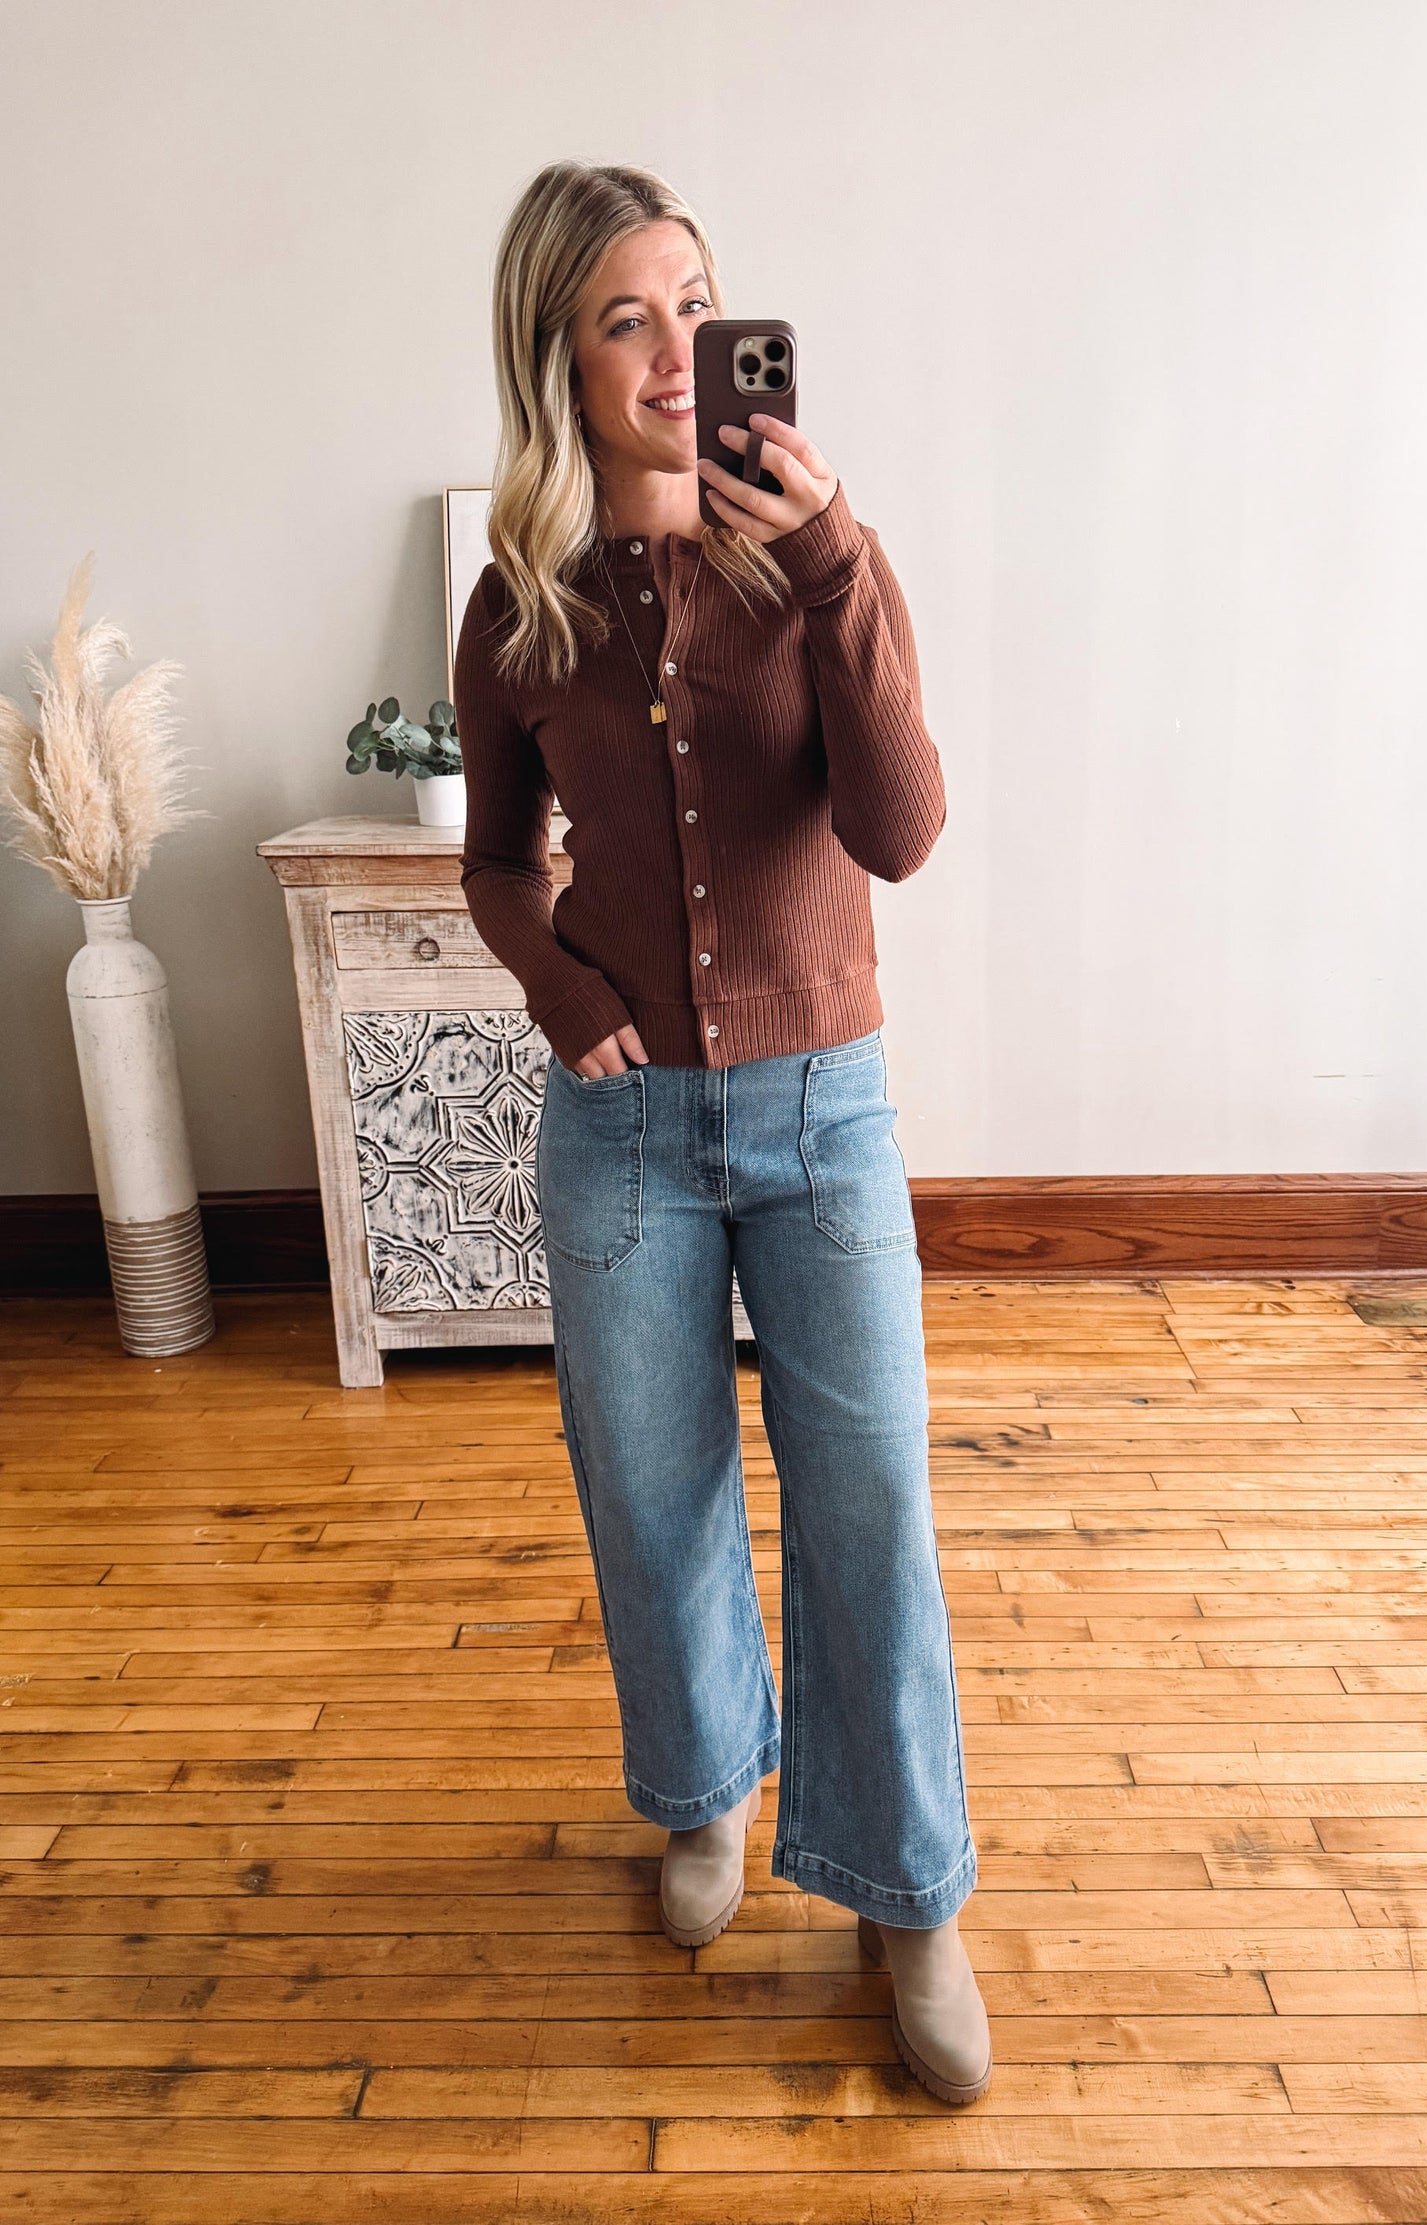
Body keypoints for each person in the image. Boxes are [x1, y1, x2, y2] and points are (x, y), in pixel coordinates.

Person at [453, 159, 991, 2106]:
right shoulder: (519, 600)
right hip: (618, 1139)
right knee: (651, 1496)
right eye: (624, 315)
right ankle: (699, 1796)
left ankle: (907, 1895)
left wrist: (837, 558)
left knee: (871, 1521)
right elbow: (503, 867)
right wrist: (558, 988)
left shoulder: (818, 556)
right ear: (561, 358)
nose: (677, 349)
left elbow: (904, 835)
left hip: (823, 1118)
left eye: (696, 302)